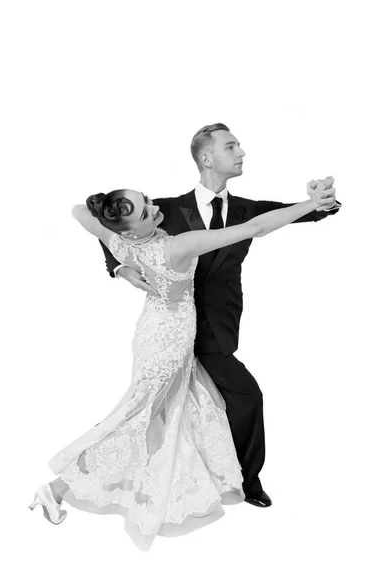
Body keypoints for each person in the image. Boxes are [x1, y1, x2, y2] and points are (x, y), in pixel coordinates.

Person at [29, 183, 337, 551]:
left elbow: (80, 211)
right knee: (137, 418)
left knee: (148, 415)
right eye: (146, 213)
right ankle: (56, 489)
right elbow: (254, 228)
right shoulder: (176, 246)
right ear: (129, 229)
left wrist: (124, 264)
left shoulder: (118, 239)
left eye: (148, 201)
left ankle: (148, 481)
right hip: (168, 345)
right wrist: (309, 203)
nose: (157, 209)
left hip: (152, 334)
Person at [97, 123, 342, 508]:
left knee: (242, 399)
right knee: (152, 409)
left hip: (216, 328)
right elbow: (109, 227)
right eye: (232, 146)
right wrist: (119, 268)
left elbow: (298, 215)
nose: (242, 151)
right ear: (207, 158)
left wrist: (321, 200)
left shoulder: (247, 211)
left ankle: (246, 482)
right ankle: (121, 477)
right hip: (168, 330)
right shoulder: (162, 209)